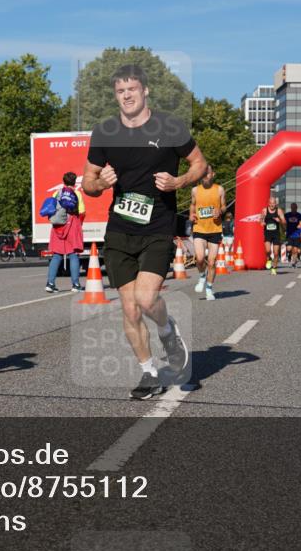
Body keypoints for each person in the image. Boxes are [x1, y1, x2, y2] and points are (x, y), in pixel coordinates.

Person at [82, 64, 207, 400]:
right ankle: (149, 372)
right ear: (115, 95)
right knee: (130, 308)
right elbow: (87, 183)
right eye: (120, 91)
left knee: (147, 298)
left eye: (132, 90)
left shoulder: (169, 126)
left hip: (158, 227)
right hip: (120, 230)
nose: (126, 96)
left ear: (145, 91)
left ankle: (167, 330)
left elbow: (200, 164)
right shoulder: (106, 132)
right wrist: (99, 184)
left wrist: (179, 181)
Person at [46, 171, 85, 293]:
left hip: (58, 226)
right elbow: (82, 212)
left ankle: (50, 283)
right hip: (72, 224)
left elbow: (51, 209)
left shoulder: (56, 193)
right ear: (74, 182)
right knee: (73, 255)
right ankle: (75, 284)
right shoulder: (77, 194)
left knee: (57, 255)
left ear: (64, 181)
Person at [190, 164, 225, 300]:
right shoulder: (195, 190)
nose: (205, 175)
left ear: (213, 174)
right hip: (199, 228)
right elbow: (192, 205)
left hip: (215, 229)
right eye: (203, 173)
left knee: (211, 262)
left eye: (208, 173)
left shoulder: (219, 190)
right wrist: (191, 215)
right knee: (199, 259)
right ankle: (202, 276)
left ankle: (209, 289)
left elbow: (223, 206)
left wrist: (220, 211)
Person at [260, 197, 283, 275]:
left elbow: (284, 221)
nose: (272, 205)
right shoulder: (264, 210)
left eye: (273, 203)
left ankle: (274, 268)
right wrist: (262, 222)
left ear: (275, 204)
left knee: (276, 253)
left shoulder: (279, 211)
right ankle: (269, 259)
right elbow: (261, 219)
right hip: (268, 233)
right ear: (268, 203)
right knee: (268, 250)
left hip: (276, 234)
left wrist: (279, 220)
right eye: (271, 203)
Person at [284, 202, 301, 269]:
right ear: (291, 208)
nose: (293, 209)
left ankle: (293, 263)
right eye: (292, 207)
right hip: (289, 234)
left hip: (297, 235)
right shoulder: (287, 215)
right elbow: (282, 220)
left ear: (296, 208)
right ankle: (289, 255)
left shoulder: (300, 216)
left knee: (295, 250)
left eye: (294, 207)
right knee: (289, 248)